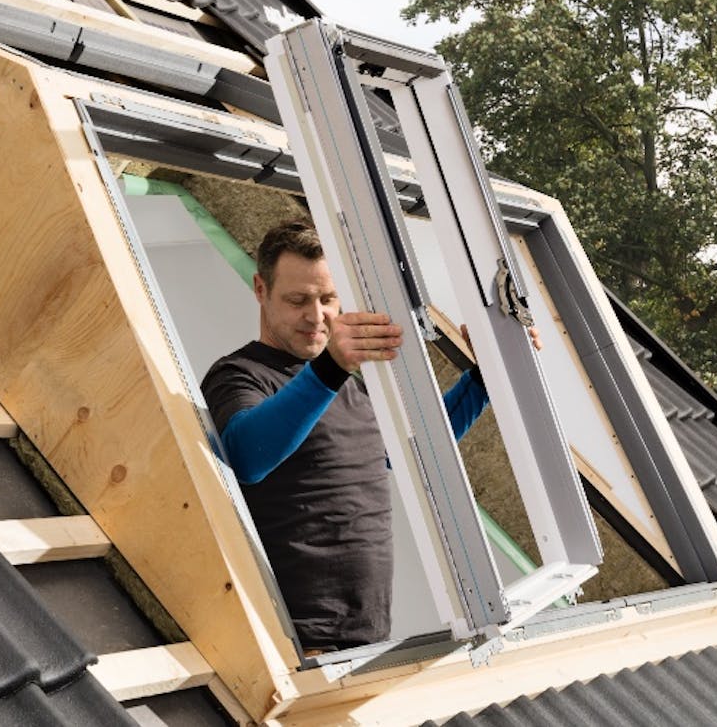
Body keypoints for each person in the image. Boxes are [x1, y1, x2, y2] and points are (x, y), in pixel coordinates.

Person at [201, 220, 503, 652]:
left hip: (366, 640)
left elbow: (411, 452)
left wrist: (483, 379)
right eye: (297, 300)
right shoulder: (240, 375)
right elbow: (247, 457)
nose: (316, 315)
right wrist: (329, 368)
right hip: (297, 644)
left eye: (328, 299)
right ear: (261, 290)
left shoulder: (348, 386)